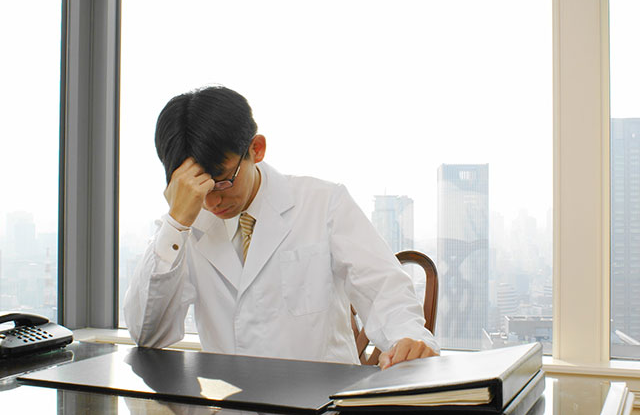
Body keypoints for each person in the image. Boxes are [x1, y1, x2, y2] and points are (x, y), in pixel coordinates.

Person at [123, 85, 439, 369]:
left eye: (222, 180)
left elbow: (383, 287)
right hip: (233, 402)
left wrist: (407, 339)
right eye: (196, 188)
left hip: (321, 399)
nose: (211, 202)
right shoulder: (181, 230)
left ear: (256, 149)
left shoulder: (323, 203)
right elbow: (147, 335)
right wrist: (176, 223)